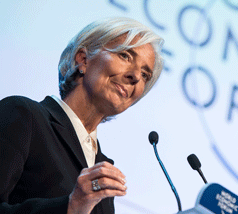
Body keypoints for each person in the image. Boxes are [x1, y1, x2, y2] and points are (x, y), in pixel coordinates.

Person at [0, 17, 164, 214]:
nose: (136, 77)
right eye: (125, 56)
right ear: (83, 60)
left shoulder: (103, 169)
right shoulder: (23, 116)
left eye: (145, 75)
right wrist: (70, 207)